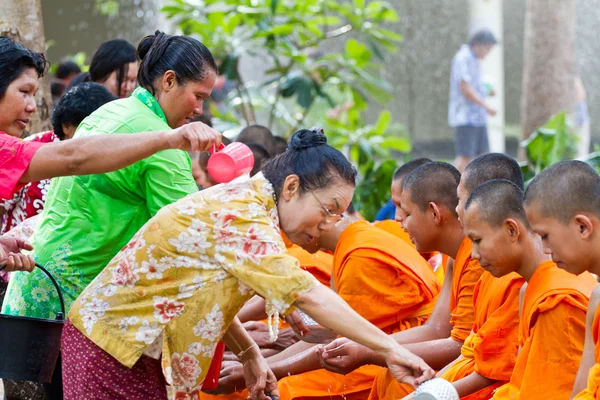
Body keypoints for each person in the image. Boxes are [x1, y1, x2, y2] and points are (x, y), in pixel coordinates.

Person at [60, 128, 434, 400]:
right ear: (290, 188)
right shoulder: (243, 217)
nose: (327, 225)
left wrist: (250, 354)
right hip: (112, 349)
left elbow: (199, 290)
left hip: (130, 347)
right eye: (327, 210)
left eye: (337, 217)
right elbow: (311, 296)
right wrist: (392, 350)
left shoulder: (250, 205)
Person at [2, 30, 222, 320]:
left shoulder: (108, 112)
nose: (33, 106)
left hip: (38, 284)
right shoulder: (161, 141)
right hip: (71, 303)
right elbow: (193, 243)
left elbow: (74, 158)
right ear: (168, 81)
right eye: (24, 92)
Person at [463, 179, 596, 400]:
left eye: (477, 240)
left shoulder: (558, 299)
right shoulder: (532, 288)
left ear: (512, 229)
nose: (474, 254)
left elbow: (552, 392)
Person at [521, 161, 600, 399]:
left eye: (545, 236)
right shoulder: (596, 298)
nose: (545, 250)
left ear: (582, 227)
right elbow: (582, 392)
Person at [1, 82, 117, 235]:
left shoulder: (106, 157)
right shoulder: (30, 149)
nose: (96, 134)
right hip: (20, 250)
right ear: (67, 126)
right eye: (88, 126)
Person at [449, 29, 497, 173]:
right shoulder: (463, 58)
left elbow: (475, 85)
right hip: (465, 118)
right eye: (487, 48)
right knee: (465, 158)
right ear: (477, 45)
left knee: (482, 156)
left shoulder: (475, 60)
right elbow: (465, 87)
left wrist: (488, 91)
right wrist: (486, 106)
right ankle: (453, 189)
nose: (488, 53)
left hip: (478, 118)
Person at [68, 39, 138, 98]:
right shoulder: (76, 103)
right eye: (122, 79)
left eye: (132, 80)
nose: (128, 88)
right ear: (100, 72)